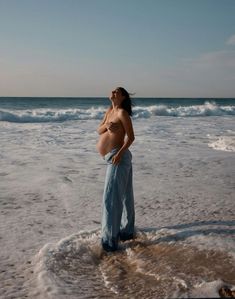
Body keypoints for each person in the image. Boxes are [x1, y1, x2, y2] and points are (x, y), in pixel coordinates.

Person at [96, 87, 135, 252]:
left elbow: (131, 137)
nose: (113, 93)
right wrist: (107, 126)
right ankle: (126, 232)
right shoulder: (110, 111)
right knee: (124, 196)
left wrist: (119, 154)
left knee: (111, 199)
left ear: (123, 97)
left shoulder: (122, 114)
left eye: (117, 92)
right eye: (112, 91)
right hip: (113, 158)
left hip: (118, 158)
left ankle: (110, 241)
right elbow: (99, 130)